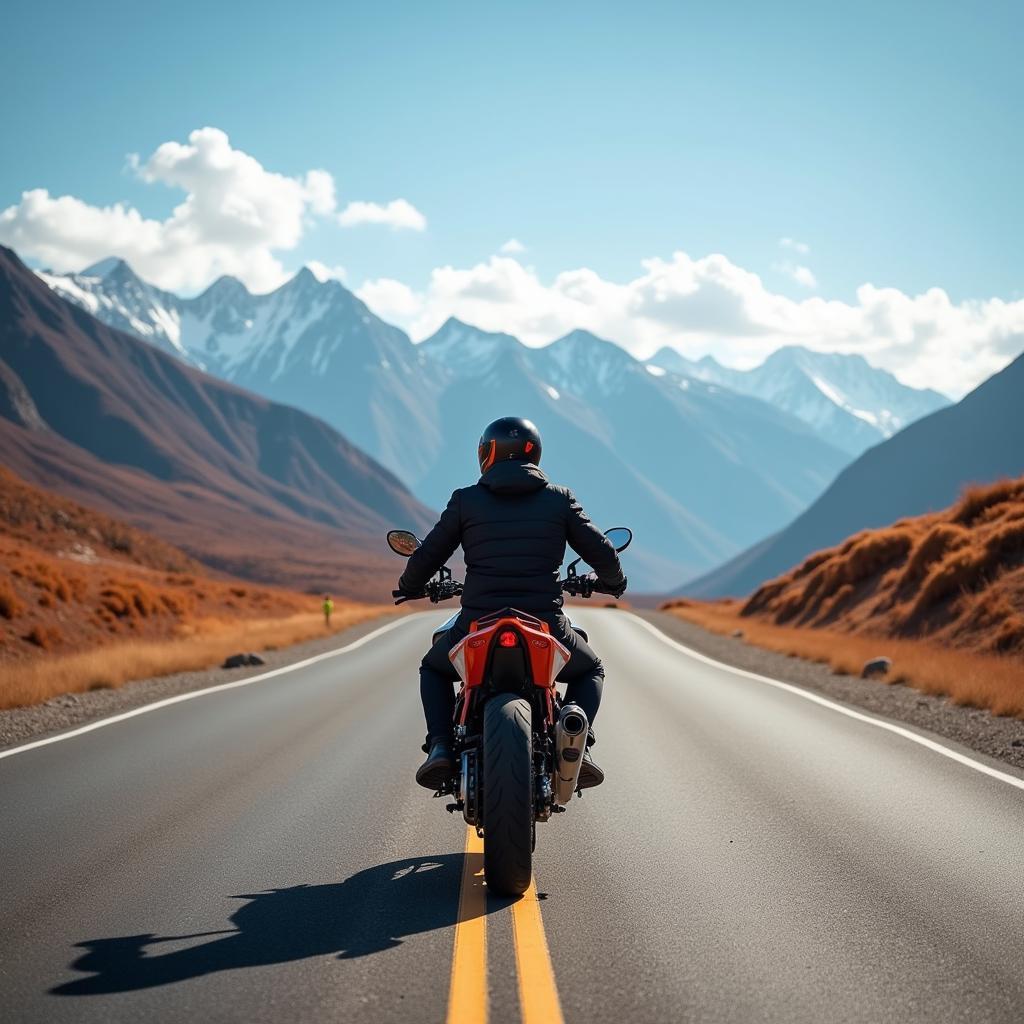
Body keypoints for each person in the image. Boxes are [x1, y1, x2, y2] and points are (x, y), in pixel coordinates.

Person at [396, 416, 627, 791]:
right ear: (535, 453)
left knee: (433, 668)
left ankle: (439, 746)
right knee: (591, 670)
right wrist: (614, 583)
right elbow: (602, 550)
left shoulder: (465, 500)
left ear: (487, 454)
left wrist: (409, 585)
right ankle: (578, 747)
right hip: (545, 622)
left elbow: (428, 556)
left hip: (477, 621)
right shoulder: (559, 499)